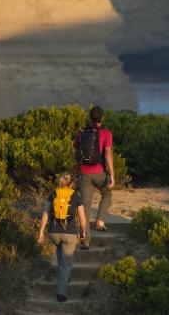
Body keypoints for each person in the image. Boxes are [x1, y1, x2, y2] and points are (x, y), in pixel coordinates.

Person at [38, 172, 89, 302]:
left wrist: (41, 232)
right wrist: (84, 233)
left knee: (61, 253)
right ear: (72, 183)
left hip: (53, 233)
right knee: (66, 263)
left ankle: (64, 278)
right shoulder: (76, 196)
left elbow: (45, 213)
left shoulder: (53, 194)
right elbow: (83, 219)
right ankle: (61, 293)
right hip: (70, 233)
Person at [74, 105, 115, 237]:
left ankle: (85, 241)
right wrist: (112, 175)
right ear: (102, 118)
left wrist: (79, 166)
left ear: (90, 118)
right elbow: (108, 153)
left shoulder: (81, 133)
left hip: (84, 173)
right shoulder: (106, 133)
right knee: (107, 193)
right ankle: (100, 220)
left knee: (85, 207)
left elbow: (75, 151)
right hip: (100, 172)